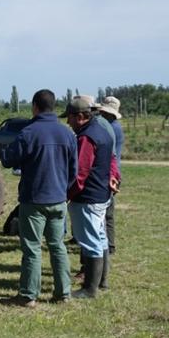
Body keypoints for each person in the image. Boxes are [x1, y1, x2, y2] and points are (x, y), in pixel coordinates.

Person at [2, 90, 78, 307]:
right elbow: (74, 170)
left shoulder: (28, 132)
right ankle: (63, 293)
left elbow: (8, 160)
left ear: (35, 106)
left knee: (32, 248)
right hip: (58, 198)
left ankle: (28, 295)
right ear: (53, 106)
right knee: (57, 246)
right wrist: (63, 189)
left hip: (33, 199)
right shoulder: (67, 134)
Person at [65, 96, 120, 298]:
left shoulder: (86, 138)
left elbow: (80, 173)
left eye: (69, 117)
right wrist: (115, 178)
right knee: (100, 238)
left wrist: (66, 195)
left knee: (90, 242)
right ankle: (102, 282)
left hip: (88, 198)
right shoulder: (102, 131)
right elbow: (112, 160)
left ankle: (90, 289)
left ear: (80, 117)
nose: (67, 122)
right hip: (101, 194)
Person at [98, 96, 123, 282]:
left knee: (105, 215)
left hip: (109, 174)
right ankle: (110, 245)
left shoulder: (109, 128)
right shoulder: (116, 127)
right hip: (114, 173)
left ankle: (109, 245)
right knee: (108, 214)